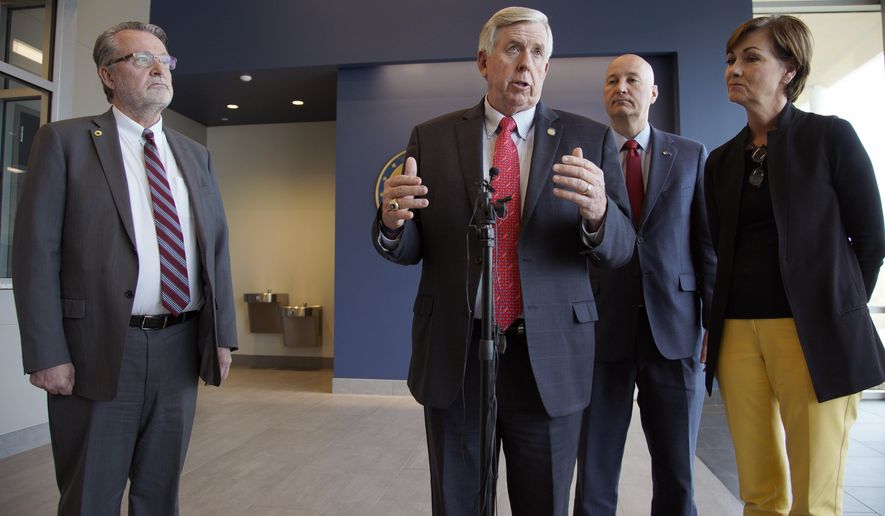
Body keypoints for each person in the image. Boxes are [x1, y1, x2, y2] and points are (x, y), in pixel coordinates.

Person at [372, 6, 635, 515]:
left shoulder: (589, 139)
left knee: (545, 504)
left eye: (538, 53)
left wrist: (600, 213)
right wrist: (391, 224)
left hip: (549, 361)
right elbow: (412, 247)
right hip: (458, 356)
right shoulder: (432, 137)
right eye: (514, 49)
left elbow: (621, 249)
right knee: (458, 503)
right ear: (482, 61)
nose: (526, 63)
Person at [12, 21, 237, 515]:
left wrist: (220, 336)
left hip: (179, 346)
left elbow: (215, 249)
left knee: (161, 494)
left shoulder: (195, 157)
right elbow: (34, 254)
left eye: (165, 60)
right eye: (142, 59)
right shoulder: (65, 142)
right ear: (107, 74)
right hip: (96, 349)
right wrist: (46, 352)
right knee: (90, 494)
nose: (159, 69)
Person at [703, 15, 885, 515]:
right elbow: (713, 249)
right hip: (737, 334)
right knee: (760, 492)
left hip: (814, 334)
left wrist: (837, 311)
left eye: (751, 58)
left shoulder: (831, 138)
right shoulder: (720, 161)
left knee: (814, 495)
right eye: (731, 60)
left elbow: (871, 238)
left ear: (789, 69)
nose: (734, 69)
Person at [574, 54, 715, 516]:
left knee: (677, 477)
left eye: (633, 79)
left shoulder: (691, 154)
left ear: (653, 93)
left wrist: (713, 324)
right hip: (600, 332)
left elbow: (706, 246)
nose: (621, 87)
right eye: (612, 80)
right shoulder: (582, 157)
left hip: (674, 334)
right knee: (593, 475)